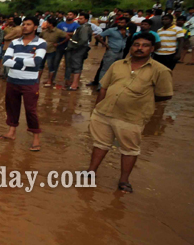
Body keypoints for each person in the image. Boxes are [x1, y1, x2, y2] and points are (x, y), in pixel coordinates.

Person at [87, 33, 173, 193]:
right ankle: (91, 172)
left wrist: (139, 100)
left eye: (145, 45)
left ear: (152, 49)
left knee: (129, 149)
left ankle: (124, 180)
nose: (140, 48)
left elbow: (165, 94)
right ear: (131, 46)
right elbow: (104, 87)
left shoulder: (160, 70)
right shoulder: (118, 64)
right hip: (104, 112)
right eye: (136, 45)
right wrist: (97, 108)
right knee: (100, 144)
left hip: (132, 117)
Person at [0, 16, 47, 152]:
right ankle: (11, 132)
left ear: (35, 27)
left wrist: (16, 60)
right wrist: (25, 62)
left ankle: (36, 137)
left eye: (29, 24)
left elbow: (36, 62)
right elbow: (5, 60)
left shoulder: (41, 43)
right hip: (12, 80)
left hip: (30, 82)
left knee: (31, 110)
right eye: (24, 24)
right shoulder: (14, 42)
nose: (25, 26)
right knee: (12, 106)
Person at [95, 17, 129, 89]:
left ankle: (112, 85)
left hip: (120, 52)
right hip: (111, 52)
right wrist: (105, 44)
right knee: (105, 69)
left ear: (126, 24)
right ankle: (101, 86)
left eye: (122, 23)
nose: (120, 24)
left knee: (117, 69)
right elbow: (98, 36)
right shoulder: (111, 30)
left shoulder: (127, 31)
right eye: (119, 22)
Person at [66, 13, 92, 90]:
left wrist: (74, 46)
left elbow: (83, 40)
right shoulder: (85, 27)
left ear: (86, 20)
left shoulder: (84, 28)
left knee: (76, 66)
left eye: (81, 19)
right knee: (77, 66)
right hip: (81, 48)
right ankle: (74, 84)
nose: (79, 20)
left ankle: (74, 85)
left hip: (79, 49)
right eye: (79, 18)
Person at [40, 18, 68, 87]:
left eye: (47, 23)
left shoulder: (58, 32)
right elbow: (39, 37)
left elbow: (67, 37)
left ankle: (50, 81)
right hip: (43, 51)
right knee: (40, 66)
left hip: (51, 51)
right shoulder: (44, 31)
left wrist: (59, 44)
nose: (46, 24)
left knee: (50, 66)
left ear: (50, 24)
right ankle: (37, 80)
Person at [54, 11, 80, 87]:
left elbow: (76, 34)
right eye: (68, 14)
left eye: (70, 14)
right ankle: (52, 78)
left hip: (70, 47)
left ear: (74, 16)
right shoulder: (60, 24)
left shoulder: (76, 25)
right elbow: (56, 33)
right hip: (59, 46)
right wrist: (69, 33)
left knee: (68, 64)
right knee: (55, 63)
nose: (68, 16)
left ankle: (67, 80)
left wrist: (64, 33)